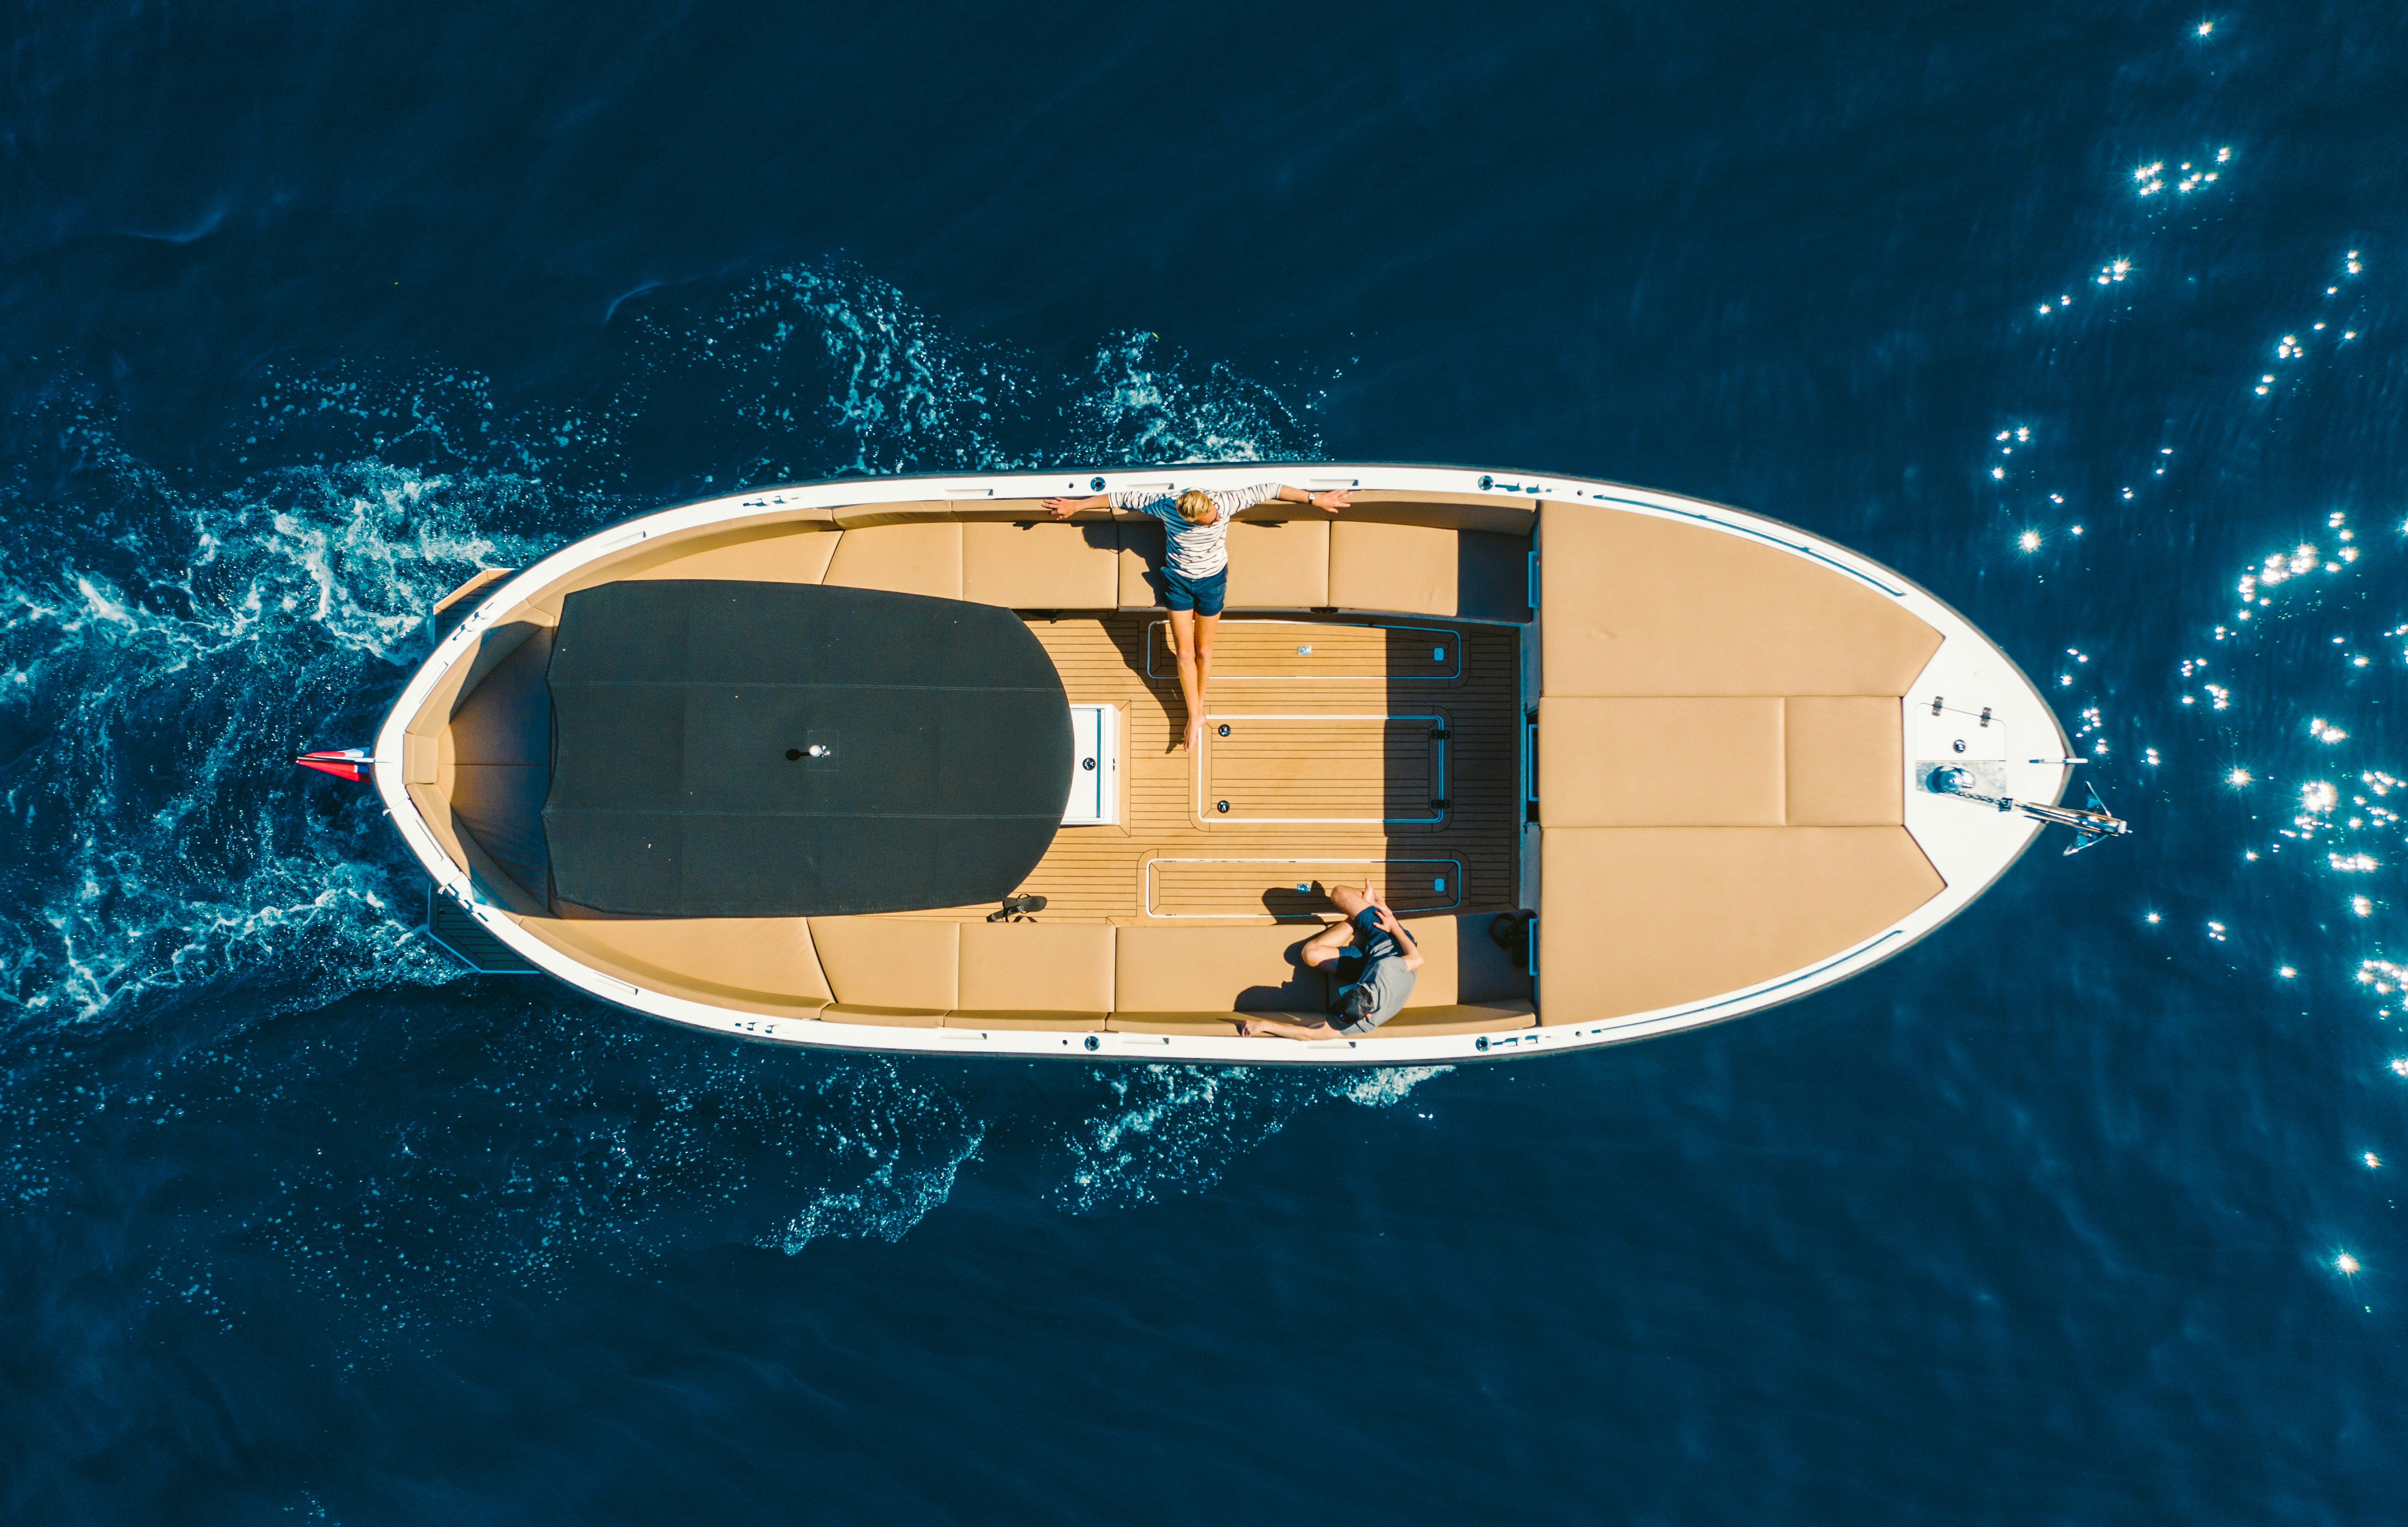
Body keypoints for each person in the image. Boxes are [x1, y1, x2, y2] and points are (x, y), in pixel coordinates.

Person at [1041, 481, 1352, 751]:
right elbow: (1119, 498)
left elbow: (1272, 488)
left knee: (1203, 651)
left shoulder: (1225, 502)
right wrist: (1077, 505)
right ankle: (1195, 713)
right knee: (1184, 652)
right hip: (1176, 582)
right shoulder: (1166, 506)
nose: (1207, 524)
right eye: (1199, 523)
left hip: (1212, 582)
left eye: (1209, 520)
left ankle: (1197, 710)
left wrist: (1317, 499)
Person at [1238, 880, 1422, 1041]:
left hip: (1367, 968)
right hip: (1390, 943)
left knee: (1310, 954)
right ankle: (1372, 907)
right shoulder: (1387, 970)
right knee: (1339, 893)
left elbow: (1309, 1035)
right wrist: (1393, 926)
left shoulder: (1360, 1022)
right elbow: (1416, 958)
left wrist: (1264, 1025)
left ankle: (1358, 917)